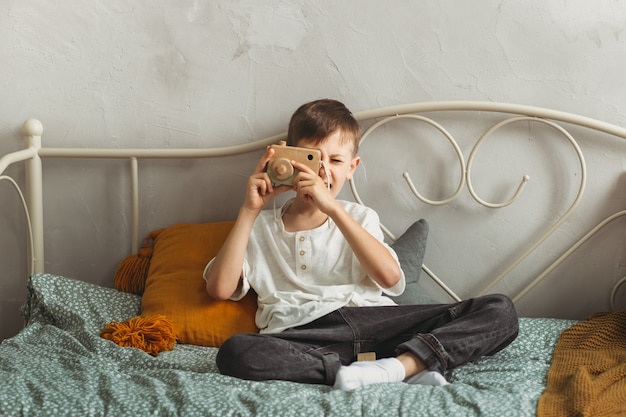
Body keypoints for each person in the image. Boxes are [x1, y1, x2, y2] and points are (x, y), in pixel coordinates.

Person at [204, 98, 519, 390]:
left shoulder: (358, 217)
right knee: (235, 352)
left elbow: (390, 279)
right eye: (312, 159)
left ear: (351, 168)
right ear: (288, 159)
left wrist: (333, 209)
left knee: (500, 310)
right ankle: (387, 368)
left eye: (336, 160)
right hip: (305, 335)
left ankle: (395, 368)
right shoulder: (260, 226)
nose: (324, 170)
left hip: (377, 325)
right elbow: (219, 288)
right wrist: (249, 210)